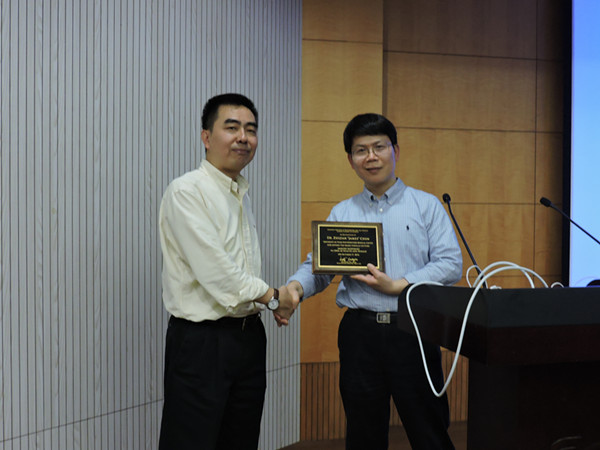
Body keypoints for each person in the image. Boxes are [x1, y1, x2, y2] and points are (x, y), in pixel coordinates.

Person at [285, 113, 463, 449]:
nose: (371, 157)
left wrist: (400, 285)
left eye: (379, 147)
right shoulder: (343, 213)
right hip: (360, 335)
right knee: (363, 433)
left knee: (429, 430)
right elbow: (319, 268)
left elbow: (451, 264)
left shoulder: (426, 206)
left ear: (396, 150)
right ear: (350, 160)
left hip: (414, 330)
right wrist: (295, 288)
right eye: (361, 150)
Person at [158, 93, 297, 449]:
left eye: (251, 129)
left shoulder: (239, 193)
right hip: (202, 342)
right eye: (232, 128)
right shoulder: (187, 191)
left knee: (241, 439)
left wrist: (271, 301)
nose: (243, 138)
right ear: (206, 137)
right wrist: (274, 297)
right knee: (191, 441)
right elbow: (218, 273)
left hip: (248, 338)